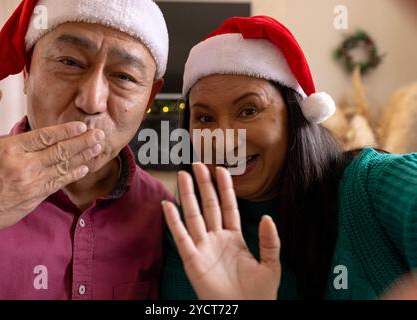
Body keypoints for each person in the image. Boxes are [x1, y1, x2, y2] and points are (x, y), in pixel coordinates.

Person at [161, 16, 417, 300]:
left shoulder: (371, 184)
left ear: (296, 116)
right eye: (205, 118)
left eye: (249, 111)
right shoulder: (189, 234)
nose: (224, 141)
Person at [0, 0, 174, 300]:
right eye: (70, 62)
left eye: (125, 77)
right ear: (27, 72)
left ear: (149, 101)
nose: (91, 101)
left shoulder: (163, 215)